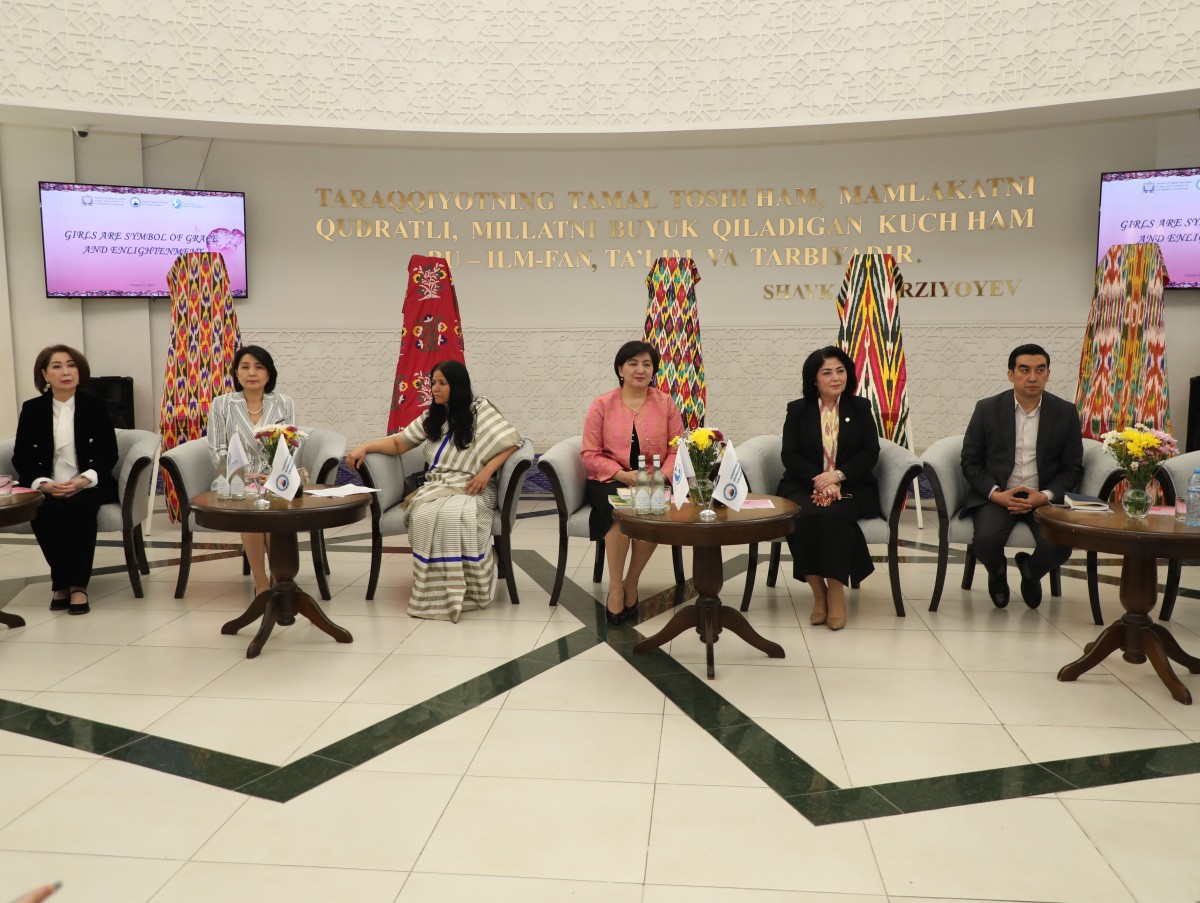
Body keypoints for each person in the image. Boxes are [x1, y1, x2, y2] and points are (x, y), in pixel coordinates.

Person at [346, 360, 520, 622]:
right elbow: (398, 443)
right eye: (433, 383)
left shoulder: (480, 411)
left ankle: (472, 587)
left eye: (442, 383)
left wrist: (486, 472)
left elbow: (513, 442)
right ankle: (435, 594)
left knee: (458, 516)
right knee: (424, 516)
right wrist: (365, 447)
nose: (435, 389)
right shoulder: (433, 418)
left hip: (474, 484)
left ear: (457, 386)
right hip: (439, 484)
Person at [960, 343, 1083, 608]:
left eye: (1040, 370)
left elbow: (1072, 467)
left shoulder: (1065, 412)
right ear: (1011, 374)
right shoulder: (987, 409)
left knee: (1060, 546)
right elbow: (970, 462)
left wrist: (1045, 496)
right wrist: (996, 494)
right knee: (985, 542)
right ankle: (997, 573)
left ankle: (1030, 572)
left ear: (1048, 374)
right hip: (1000, 494)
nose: (1032, 377)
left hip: (1043, 497)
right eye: (1024, 370)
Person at [777, 346, 880, 630]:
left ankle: (835, 591)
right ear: (814, 379)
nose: (836, 378)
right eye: (827, 373)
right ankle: (818, 593)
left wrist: (838, 476)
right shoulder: (798, 410)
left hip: (852, 484)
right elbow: (789, 455)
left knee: (833, 515)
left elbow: (870, 453)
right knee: (801, 515)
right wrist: (820, 480)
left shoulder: (860, 408)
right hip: (804, 483)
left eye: (840, 371)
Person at [582, 340, 684, 624]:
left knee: (652, 511)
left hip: (653, 479)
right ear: (620, 369)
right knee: (620, 515)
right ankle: (616, 586)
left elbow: (678, 448)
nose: (641, 370)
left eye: (647, 364)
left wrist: (661, 475)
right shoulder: (602, 404)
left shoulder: (665, 403)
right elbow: (589, 453)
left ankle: (632, 581)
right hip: (610, 478)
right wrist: (621, 474)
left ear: (653, 371)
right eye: (633, 364)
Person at [13, 345, 118, 615]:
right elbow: (22, 456)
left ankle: (76, 586)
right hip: (47, 484)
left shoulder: (94, 407)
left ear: (80, 372)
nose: (66, 372)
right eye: (57, 366)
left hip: (87, 483)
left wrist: (83, 480)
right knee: (45, 511)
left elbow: (108, 452)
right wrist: (43, 483)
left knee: (79, 509)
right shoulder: (32, 409)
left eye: (71, 365)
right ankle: (63, 582)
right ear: (45, 374)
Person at [206, 345, 296, 597]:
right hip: (236, 478)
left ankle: (279, 577)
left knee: (273, 505)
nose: (252, 373)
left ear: (269, 374)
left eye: (259, 367)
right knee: (250, 508)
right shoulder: (222, 404)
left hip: (275, 477)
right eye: (245, 367)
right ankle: (261, 582)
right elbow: (217, 448)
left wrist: (275, 475)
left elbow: (291, 445)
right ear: (236, 373)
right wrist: (242, 475)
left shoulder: (284, 403)